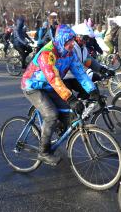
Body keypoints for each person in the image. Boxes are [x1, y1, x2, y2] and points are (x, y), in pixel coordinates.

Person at [21, 25, 99, 166]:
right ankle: (43, 152)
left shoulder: (69, 54)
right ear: (62, 40)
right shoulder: (47, 54)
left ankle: (57, 129)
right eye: (69, 41)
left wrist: (93, 91)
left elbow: (80, 73)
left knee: (68, 112)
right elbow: (54, 79)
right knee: (51, 115)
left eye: (73, 40)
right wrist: (71, 98)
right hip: (33, 86)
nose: (72, 44)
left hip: (49, 86)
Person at [64, 23, 115, 99]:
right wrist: (90, 72)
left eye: (88, 39)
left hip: (75, 77)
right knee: (69, 101)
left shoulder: (83, 48)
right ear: (77, 36)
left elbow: (89, 61)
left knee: (88, 92)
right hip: (65, 78)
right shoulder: (71, 48)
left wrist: (102, 69)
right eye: (85, 38)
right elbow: (76, 64)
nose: (87, 41)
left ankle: (81, 108)